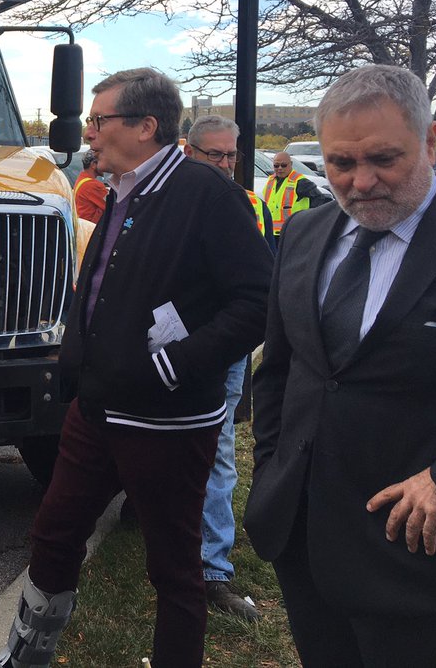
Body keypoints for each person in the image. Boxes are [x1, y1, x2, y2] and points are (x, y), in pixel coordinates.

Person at [0, 69, 272, 668]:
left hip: (167, 420)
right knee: (54, 534)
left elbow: (258, 304)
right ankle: (25, 656)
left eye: (99, 120)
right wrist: (74, 364)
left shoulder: (207, 195)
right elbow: (104, 287)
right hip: (96, 408)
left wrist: (173, 367)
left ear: (146, 126)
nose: (88, 132)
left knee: (173, 566)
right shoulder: (119, 189)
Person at [245, 63, 436, 667]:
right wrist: (272, 470)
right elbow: (283, 368)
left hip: (422, 559)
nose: (361, 182)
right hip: (305, 543)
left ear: (430, 141)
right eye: (341, 164)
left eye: (384, 158)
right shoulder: (303, 234)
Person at [182, 114, 271, 622]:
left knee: (217, 453)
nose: (222, 164)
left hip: (223, 349)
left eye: (229, 155)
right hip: (170, 346)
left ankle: (213, 571)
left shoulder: (245, 203)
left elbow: (255, 285)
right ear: (188, 150)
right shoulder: (163, 200)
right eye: (212, 154)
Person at [263, 151, 330, 237]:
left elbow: (320, 200)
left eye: (283, 165)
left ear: (291, 164)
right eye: (276, 165)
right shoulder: (270, 180)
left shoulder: (301, 182)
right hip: (272, 233)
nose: (280, 168)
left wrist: (307, 221)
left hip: (293, 232)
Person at [72, 148, 107, 223]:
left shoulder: (81, 180)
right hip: (91, 230)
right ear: (93, 165)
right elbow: (112, 207)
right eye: (102, 162)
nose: (105, 166)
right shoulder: (93, 185)